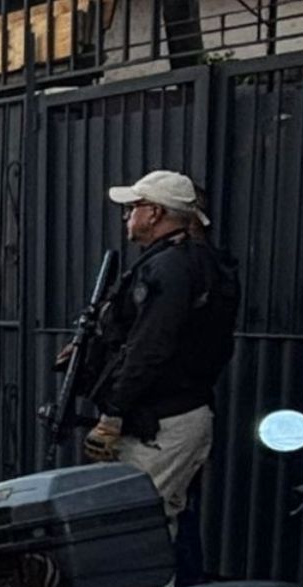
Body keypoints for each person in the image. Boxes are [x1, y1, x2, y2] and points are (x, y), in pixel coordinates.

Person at [84, 170, 240, 524]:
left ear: (154, 213)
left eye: (134, 207)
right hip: (170, 417)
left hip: (163, 423)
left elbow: (150, 346)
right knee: (159, 520)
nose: (127, 216)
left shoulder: (172, 266)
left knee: (139, 529)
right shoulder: (190, 260)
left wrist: (113, 414)